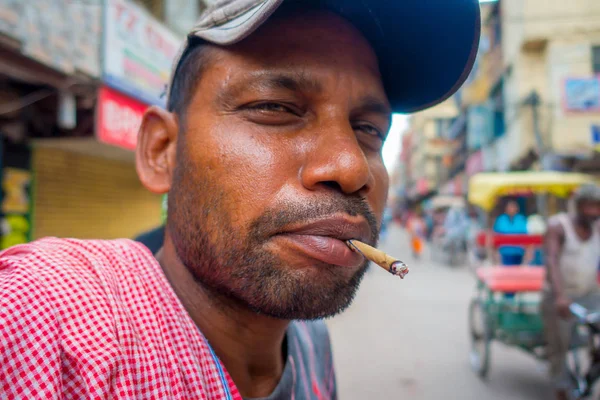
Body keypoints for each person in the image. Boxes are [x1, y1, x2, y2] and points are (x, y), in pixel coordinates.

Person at [0, 1, 480, 398]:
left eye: (368, 129)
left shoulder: (310, 344)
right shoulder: (50, 324)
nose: (352, 169)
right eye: (275, 108)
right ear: (162, 151)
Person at [541, 184, 600, 400]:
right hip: (559, 296)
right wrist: (560, 296)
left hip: (591, 294)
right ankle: (561, 389)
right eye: (590, 206)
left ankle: (588, 378)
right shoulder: (558, 226)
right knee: (559, 346)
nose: (594, 212)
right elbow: (552, 260)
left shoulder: (598, 227)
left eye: (598, 207)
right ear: (579, 206)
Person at [493, 199, 532, 266]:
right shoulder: (501, 220)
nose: (511, 209)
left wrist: (528, 253)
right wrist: (496, 254)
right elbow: (496, 237)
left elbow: (526, 236)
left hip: (519, 252)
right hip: (505, 252)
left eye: (513, 207)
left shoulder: (521, 219)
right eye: (510, 207)